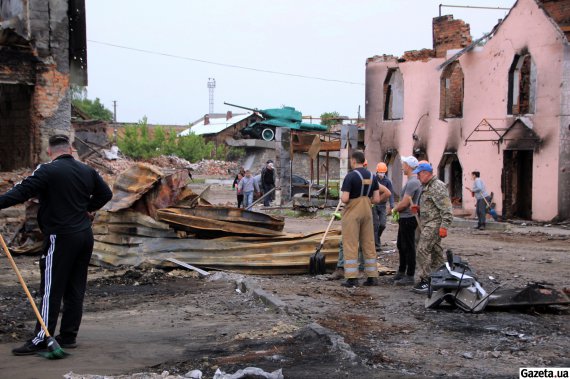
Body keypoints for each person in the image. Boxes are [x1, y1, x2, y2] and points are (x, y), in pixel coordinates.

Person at [0, 134, 113, 355]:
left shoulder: (47, 170)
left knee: (51, 288)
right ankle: (69, 335)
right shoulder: (86, 170)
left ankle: (42, 337)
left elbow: (21, 192)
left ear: (50, 152)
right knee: (75, 288)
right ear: (71, 149)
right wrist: (88, 209)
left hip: (60, 237)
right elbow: (106, 193)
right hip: (84, 236)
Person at [340, 150, 390, 287]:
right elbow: (377, 198)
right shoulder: (372, 176)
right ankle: (372, 276)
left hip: (352, 212)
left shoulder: (350, 176)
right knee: (368, 243)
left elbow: (344, 198)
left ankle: (352, 278)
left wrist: (344, 198)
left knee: (350, 244)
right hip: (367, 211)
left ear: (353, 161)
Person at [411, 162, 453, 293]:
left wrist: (444, 226)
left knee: (422, 249)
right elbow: (432, 205)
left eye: (418, 174)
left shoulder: (437, 186)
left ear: (426, 173)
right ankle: (438, 279)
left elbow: (446, 208)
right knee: (436, 252)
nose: (417, 177)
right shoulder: (428, 186)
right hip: (428, 222)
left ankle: (425, 280)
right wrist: (419, 209)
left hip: (434, 224)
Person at [391, 156, 422, 286]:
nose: (402, 166)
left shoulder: (413, 182)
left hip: (409, 218)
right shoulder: (411, 181)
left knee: (408, 246)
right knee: (401, 245)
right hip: (405, 218)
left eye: (403, 164)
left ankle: (409, 275)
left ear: (408, 166)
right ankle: (402, 271)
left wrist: (394, 210)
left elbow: (404, 203)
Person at [372, 162, 395, 253]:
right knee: (376, 225)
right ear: (377, 171)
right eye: (380, 172)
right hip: (374, 205)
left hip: (382, 206)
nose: (381, 174)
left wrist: (392, 205)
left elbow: (391, 194)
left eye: (383, 172)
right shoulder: (373, 179)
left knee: (382, 224)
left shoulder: (387, 182)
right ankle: (377, 246)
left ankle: (377, 238)